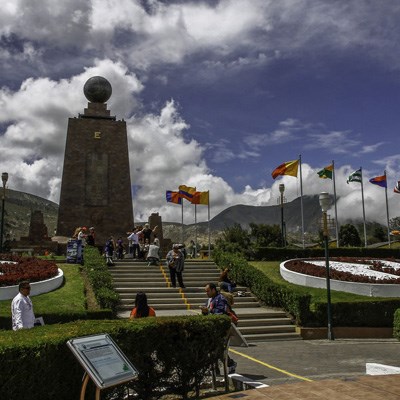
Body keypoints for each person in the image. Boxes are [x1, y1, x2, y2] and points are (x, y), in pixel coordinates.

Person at [200, 283, 237, 373]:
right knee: (212, 349)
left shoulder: (221, 299)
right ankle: (214, 368)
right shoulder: (209, 300)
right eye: (206, 291)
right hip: (211, 329)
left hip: (221, 329)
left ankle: (230, 364)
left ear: (213, 290)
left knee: (218, 348)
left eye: (208, 291)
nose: (206, 293)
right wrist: (204, 312)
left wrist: (208, 311)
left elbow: (220, 313)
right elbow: (207, 314)